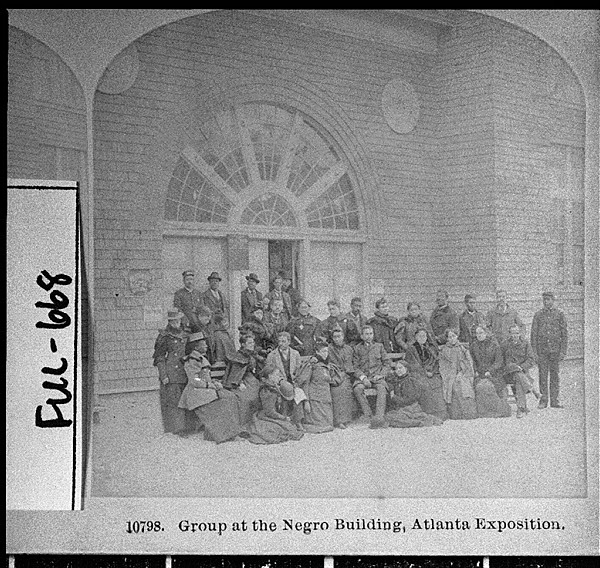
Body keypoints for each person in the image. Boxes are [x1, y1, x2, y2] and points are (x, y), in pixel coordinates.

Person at [177, 333, 242, 443]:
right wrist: (210, 385)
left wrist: (214, 382)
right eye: (204, 344)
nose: (206, 346)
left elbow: (205, 377)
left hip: (204, 390)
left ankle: (229, 432)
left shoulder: (200, 358)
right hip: (196, 393)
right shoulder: (192, 360)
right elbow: (194, 380)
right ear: (196, 347)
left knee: (231, 396)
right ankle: (222, 435)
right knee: (224, 402)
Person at [243, 363, 305, 445]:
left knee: (289, 427)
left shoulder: (273, 386)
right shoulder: (267, 391)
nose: (279, 377)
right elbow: (269, 412)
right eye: (276, 375)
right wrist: (283, 417)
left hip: (271, 414)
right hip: (265, 416)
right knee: (283, 429)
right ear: (270, 377)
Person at [152, 308, 191, 436]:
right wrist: (163, 374)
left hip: (184, 370)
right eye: (173, 321)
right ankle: (177, 428)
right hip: (171, 371)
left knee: (185, 397)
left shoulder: (185, 334)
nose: (176, 323)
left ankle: (188, 425)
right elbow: (159, 357)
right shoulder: (164, 336)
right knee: (174, 400)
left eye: (178, 321)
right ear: (169, 322)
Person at [530, 291, 568, 409]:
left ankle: (555, 400)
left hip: (555, 351)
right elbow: (534, 335)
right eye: (544, 300)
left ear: (553, 300)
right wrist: (535, 353)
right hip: (542, 351)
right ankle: (543, 400)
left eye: (548, 300)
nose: (546, 302)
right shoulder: (538, 315)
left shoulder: (559, 314)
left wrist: (562, 351)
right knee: (542, 375)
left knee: (555, 375)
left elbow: (564, 334)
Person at [295, 339, 342, 433]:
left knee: (329, 425)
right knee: (321, 426)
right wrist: (306, 401)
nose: (326, 354)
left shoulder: (327, 365)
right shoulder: (311, 365)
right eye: (323, 351)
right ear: (317, 352)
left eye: (327, 351)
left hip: (326, 398)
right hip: (315, 399)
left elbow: (334, 378)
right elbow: (305, 383)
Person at [404, 328, 448, 421]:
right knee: (425, 385)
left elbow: (436, 361)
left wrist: (432, 371)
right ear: (416, 337)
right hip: (418, 374)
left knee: (438, 383)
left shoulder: (430, 348)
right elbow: (412, 364)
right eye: (420, 336)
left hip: (432, 373)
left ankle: (440, 413)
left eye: (424, 336)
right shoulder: (411, 349)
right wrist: (425, 372)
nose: (422, 338)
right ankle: (429, 413)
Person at [384, 362, 444, 428]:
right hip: (403, 408)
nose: (398, 370)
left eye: (400, 368)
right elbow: (389, 381)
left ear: (406, 369)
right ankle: (419, 419)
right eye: (396, 369)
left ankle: (420, 422)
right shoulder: (398, 380)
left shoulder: (410, 381)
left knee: (392, 419)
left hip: (411, 408)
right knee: (388, 416)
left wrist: (394, 397)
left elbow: (409, 400)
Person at [352, 325, 391, 429]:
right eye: (366, 334)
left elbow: (387, 363)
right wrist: (363, 378)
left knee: (382, 388)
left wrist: (381, 375)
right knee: (357, 389)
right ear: (362, 336)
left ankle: (379, 417)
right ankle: (368, 415)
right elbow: (355, 367)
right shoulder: (357, 348)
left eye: (371, 334)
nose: (369, 336)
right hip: (364, 377)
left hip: (377, 376)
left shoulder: (379, 346)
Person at [265, 331, 305, 428]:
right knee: (287, 388)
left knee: (297, 391)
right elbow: (269, 371)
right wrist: (279, 381)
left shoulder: (295, 354)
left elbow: (299, 369)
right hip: (279, 381)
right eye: (279, 341)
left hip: (293, 380)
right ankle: (285, 417)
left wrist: (296, 380)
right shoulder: (272, 355)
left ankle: (298, 420)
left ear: (289, 342)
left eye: (283, 341)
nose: (281, 344)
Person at [470, 326, 511, 418]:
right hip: (480, 373)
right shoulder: (473, 346)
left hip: (494, 373)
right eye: (477, 333)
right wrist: (475, 370)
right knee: (479, 386)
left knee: (488, 386)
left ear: (486, 333)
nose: (479, 335)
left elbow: (499, 362)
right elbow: (472, 361)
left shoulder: (494, 345)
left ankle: (495, 410)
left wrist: (490, 371)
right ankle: (483, 411)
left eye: (481, 333)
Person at [501, 323, 541, 418]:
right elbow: (501, 360)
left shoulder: (525, 343)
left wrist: (522, 367)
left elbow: (531, 359)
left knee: (519, 379)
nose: (515, 335)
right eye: (513, 333)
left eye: (517, 333)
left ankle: (521, 408)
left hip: (522, 372)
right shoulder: (505, 344)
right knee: (516, 371)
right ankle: (532, 389)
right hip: (508, 373)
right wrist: (511, 367)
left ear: (520, 333)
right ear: (509, 334)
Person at [223, 332, 262, 427]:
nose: (252, 344)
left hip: (252, 379)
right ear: (243, 344)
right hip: (241, 381)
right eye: (249, 343)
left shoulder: (252, 355)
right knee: (247, 397)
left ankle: (257, 418)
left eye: (253, 342)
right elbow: (235, 373)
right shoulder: (238, 356)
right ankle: (245, 423)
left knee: (262, 392)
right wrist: (239, 383)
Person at [438, 329, 478, 420]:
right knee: (452, 386)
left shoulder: (462, 349)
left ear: (457, 336)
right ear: (447, 339)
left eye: (453, 336)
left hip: (464, 373)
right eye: (449, 337)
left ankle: (468, 412)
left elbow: (468, 362)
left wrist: (462, 373)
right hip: (449, 375)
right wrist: (451, 374)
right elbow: (443, 365)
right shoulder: (444, 350)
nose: (452, 339)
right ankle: (455, 413)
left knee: (464, 386)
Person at [327, 326, 358, 429]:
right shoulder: (329, 349)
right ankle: (337, 420)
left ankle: (345, 419)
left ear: (343, 336)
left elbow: (351, 365)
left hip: (347, 375)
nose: (337, 339)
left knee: (345, 389)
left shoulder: (349, 349)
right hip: (334, 375)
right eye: (334, 337)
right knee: (336, 390)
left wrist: (345, 373)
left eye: (339, 336)